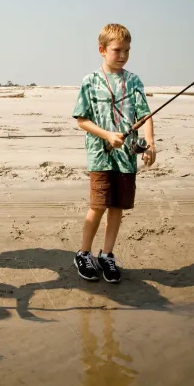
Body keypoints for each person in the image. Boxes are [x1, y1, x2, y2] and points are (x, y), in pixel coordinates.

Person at [72, 23, 156, 283]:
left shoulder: (134, 81)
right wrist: (108, 135)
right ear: (102, 50)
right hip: (100, 155)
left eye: (127, 51)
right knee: (98, 205)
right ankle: (83, 253)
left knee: (117, 206)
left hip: (126, 157)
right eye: (117, 50)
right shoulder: (90, 81)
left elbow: (145, 114)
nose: (122, 56)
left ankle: (106, 255)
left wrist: (150, 144)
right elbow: (81, 120)